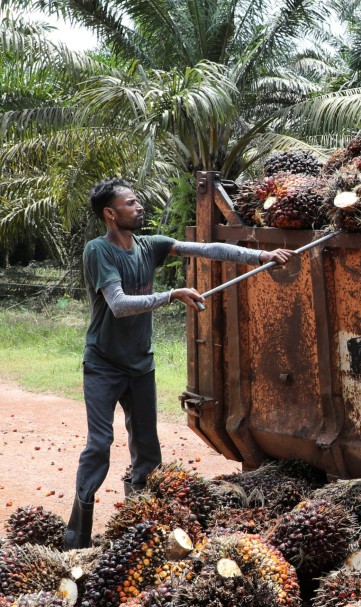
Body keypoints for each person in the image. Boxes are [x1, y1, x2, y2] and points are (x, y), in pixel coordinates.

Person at [65, 177, 294, 548]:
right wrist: (171, 294)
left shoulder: (149, 246)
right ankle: (76, 537)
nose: (139, 207)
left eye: (137, 201)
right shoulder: (99, 251)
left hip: (140, 364)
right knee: (99, 444)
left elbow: (209, 249)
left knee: (147, 447)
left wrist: (261, 256)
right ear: (110, 213)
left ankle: (139, 528)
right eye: (130, 202)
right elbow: (119, 305)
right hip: (104, 365)